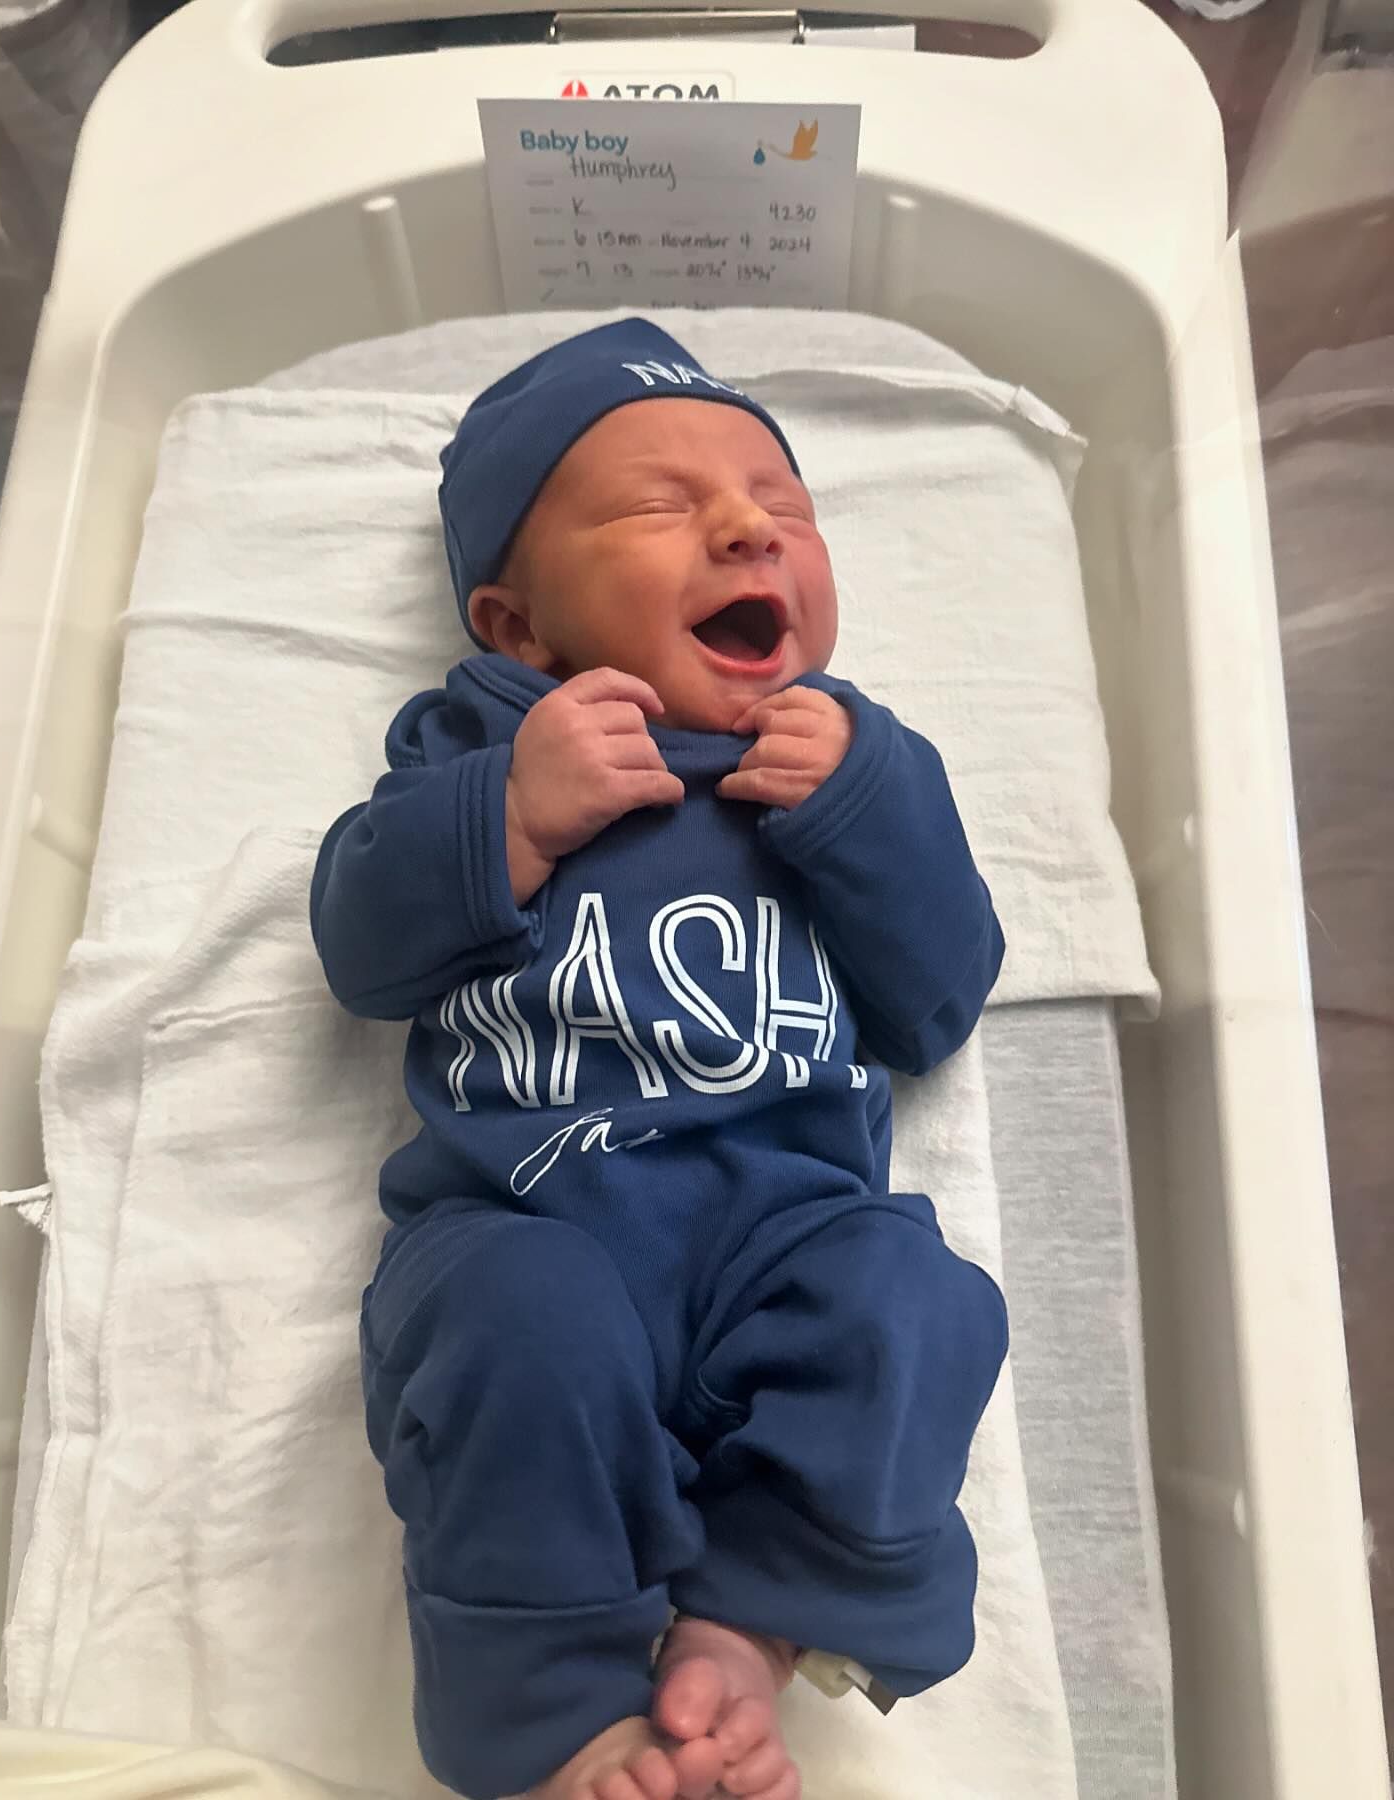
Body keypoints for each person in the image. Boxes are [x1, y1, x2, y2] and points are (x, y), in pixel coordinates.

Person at [310, 318, 1009, 1800]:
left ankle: (748, 1625)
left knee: (917, 1303)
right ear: (517, 625)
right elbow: (362, 948)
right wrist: (509, 811)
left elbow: (940, 1004)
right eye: (656, 505)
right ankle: (560, 1714)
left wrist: (863, 809)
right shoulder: (479, 738)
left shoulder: (861, 757)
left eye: (781, 503)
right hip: (529, 1219)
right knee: (507, 1331)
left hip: (787, 1235)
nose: (749, 526)